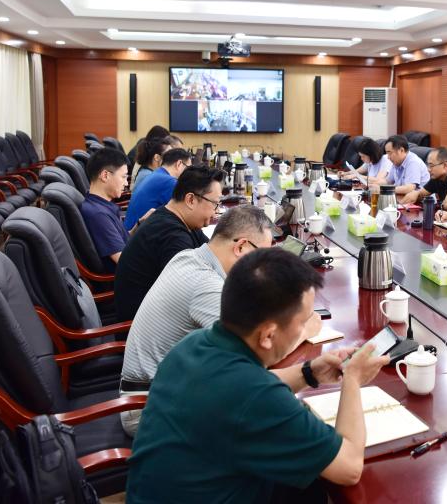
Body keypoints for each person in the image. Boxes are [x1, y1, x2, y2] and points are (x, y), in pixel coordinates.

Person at [127, 249, 390, 503]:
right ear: (267, 335)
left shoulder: (193, 344)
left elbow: (245, 391)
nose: (307, 328)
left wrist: (309, 372)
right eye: (303, 322)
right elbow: (349, 467)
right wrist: (353, 379)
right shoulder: (255, 397)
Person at [118, 205, 323, 435]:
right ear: (241, 247)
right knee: (270, 417)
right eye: (263, 256)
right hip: (148, 409)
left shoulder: (190, 257)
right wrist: (304, 330)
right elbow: (256, 356)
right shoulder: (206, 286)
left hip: (163, 389)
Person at [113, 166, 223, 322]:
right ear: (190, 200)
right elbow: (194, 293)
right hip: (145, 327)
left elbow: (214, 252)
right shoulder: (171, 236)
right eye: (215, 204)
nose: (216, 212)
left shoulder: (178, 219)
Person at [80, 148, 149, 273]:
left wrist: (140, 224)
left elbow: (122, 239)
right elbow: (125, 261)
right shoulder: (99, 215)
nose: (126, 183)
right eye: (123, 177)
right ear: (105, 175)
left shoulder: (100, 205)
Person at [123, 147, 193, 231]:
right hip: (137, 234)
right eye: (188, 168)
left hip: (130, 231)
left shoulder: (157, 174)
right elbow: (186, 215)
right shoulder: (169, 182)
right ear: (179, 164)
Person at [401, 146, 447, 211]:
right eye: (428, 165)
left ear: (445, 165)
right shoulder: (437, 177)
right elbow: (421, 194)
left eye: (431, 166)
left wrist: (442, 204)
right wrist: (416, 193)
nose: (428, 169)